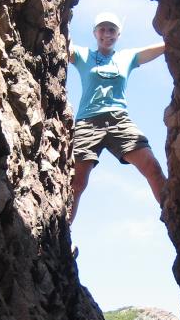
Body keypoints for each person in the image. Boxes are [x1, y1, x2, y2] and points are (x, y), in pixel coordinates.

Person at [68, 12, 167, 222]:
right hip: (88, 122)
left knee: (152, 167)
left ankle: (176, 215)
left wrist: (176, 36)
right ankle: (62, 231)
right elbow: (59, 43)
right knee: (77, 183)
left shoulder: (126, 57)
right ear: (95, 33)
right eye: (102, 29)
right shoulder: (82, 55)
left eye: (111, 30)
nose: (107, 34)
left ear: (118, 34)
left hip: (119, 120)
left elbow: (160, 47)